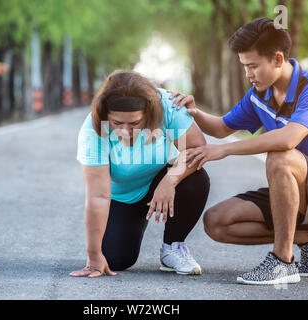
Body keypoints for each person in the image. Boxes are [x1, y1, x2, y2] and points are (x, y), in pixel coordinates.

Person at [170, 18, 308, 285]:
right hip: (294, 190)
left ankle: (282, 262)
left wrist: (225, 151)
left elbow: (287, 139)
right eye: (245, 66)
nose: (248, 74)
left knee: (280, 154)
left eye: (253, 66)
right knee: (217, 222)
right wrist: (193, 111)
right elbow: (222, 127)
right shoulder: (259, 94)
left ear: (278, 59)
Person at [70, 70, 210, 278]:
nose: (126, 131)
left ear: (149, 113)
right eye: (117, 123)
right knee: (116, 259)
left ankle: (173, 247)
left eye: (134, 123)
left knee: (197, 178)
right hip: (123, 195)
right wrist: (93, 257)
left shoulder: (168, 107)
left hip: (159, 178)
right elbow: (98, 196)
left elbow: (196, 148)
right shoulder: (93, 130)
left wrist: (170, 181)